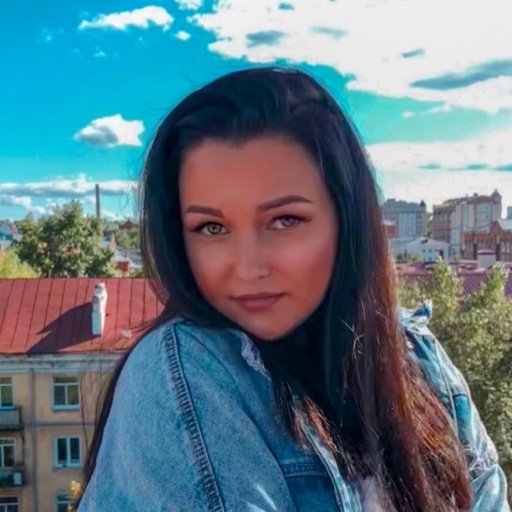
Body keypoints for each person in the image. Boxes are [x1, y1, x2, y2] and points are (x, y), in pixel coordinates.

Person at [76, 67, 508, 511]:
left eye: (285, 220)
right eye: (211, 227)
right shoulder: (181, 374)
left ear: (346, 220)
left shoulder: (418, 357)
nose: (249, 267)